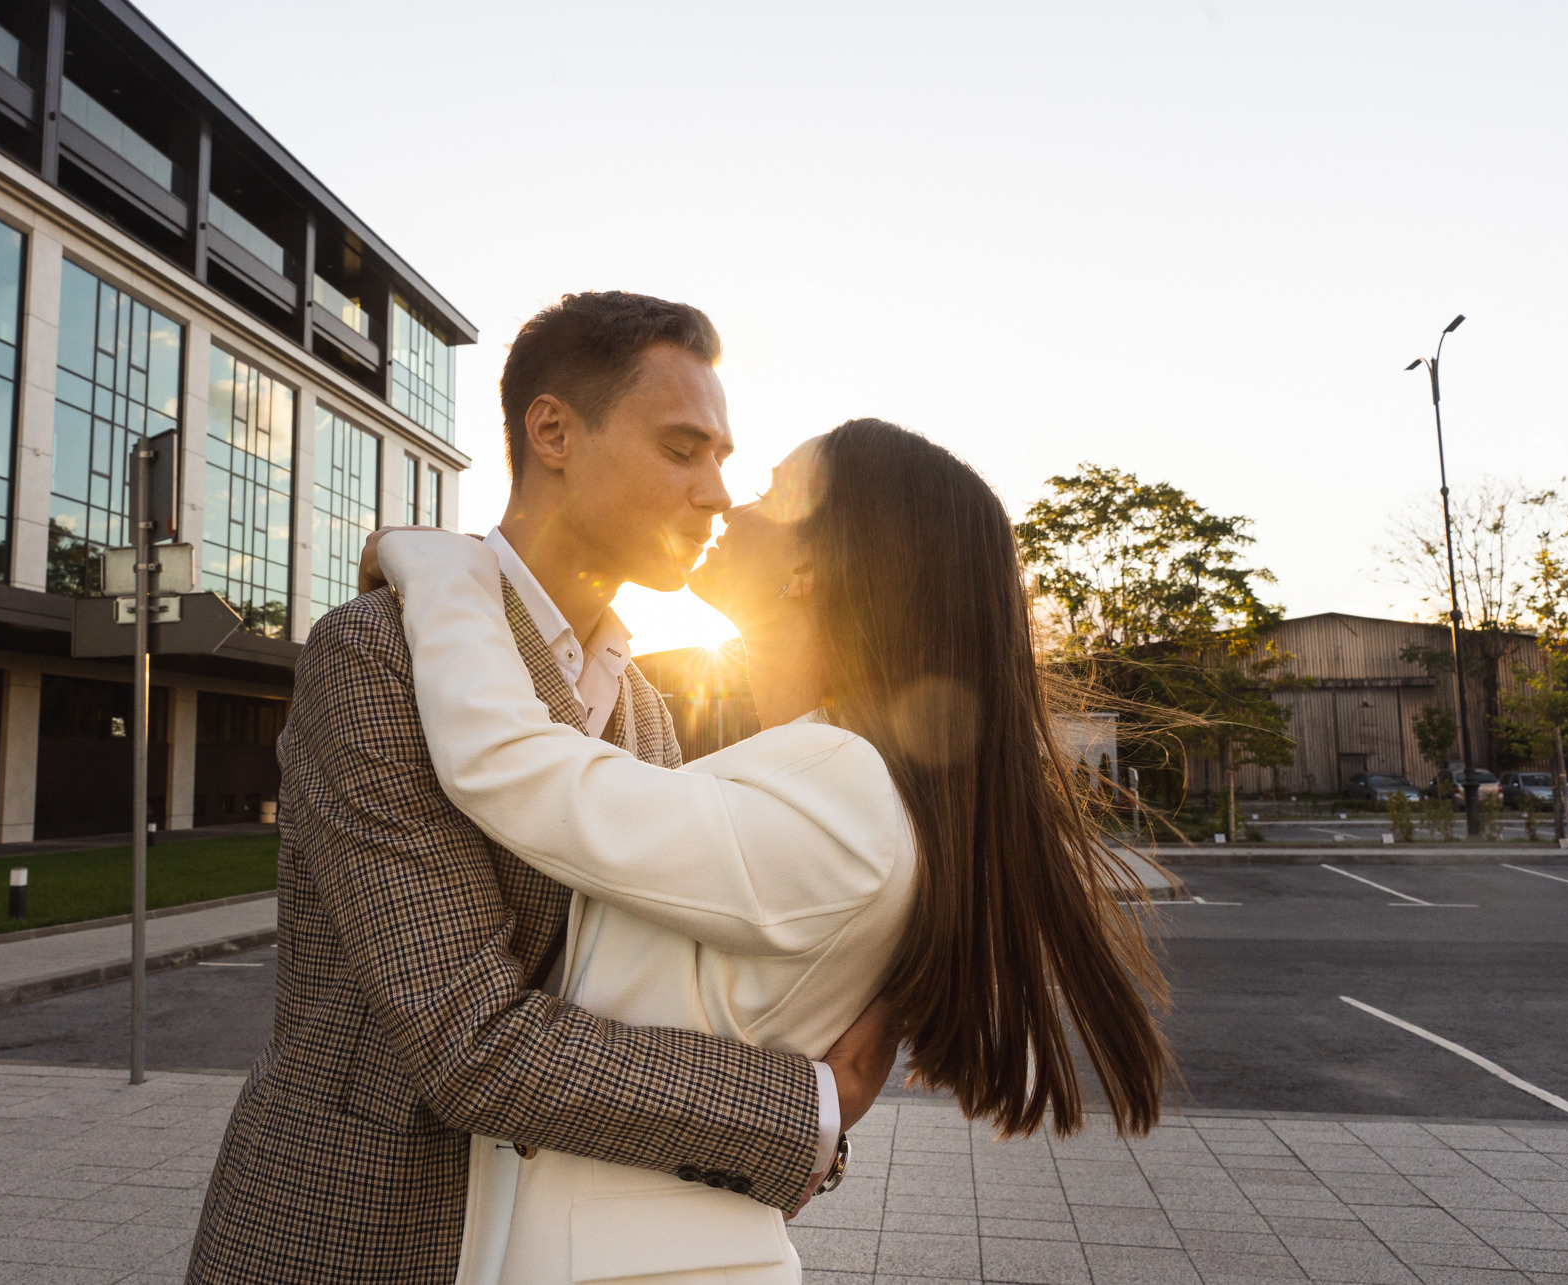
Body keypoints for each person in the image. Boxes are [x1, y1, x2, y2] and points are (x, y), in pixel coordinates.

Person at [187, 293, 898, 1285]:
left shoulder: (645, 708)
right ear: (553, 432)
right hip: (355, 1234)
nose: (716, 494)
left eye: (723, 458)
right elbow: (465, 1037)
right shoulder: (375, 653)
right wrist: (802, 1109)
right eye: (683, 449)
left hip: (553, 1240)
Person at [364, 418, 1176, 1283]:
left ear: (809, 567)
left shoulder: (843, 787)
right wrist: (808, 1118)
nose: (726, 501)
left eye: (770, 492)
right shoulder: (837, 777)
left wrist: (444, 566)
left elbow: (507, 763)